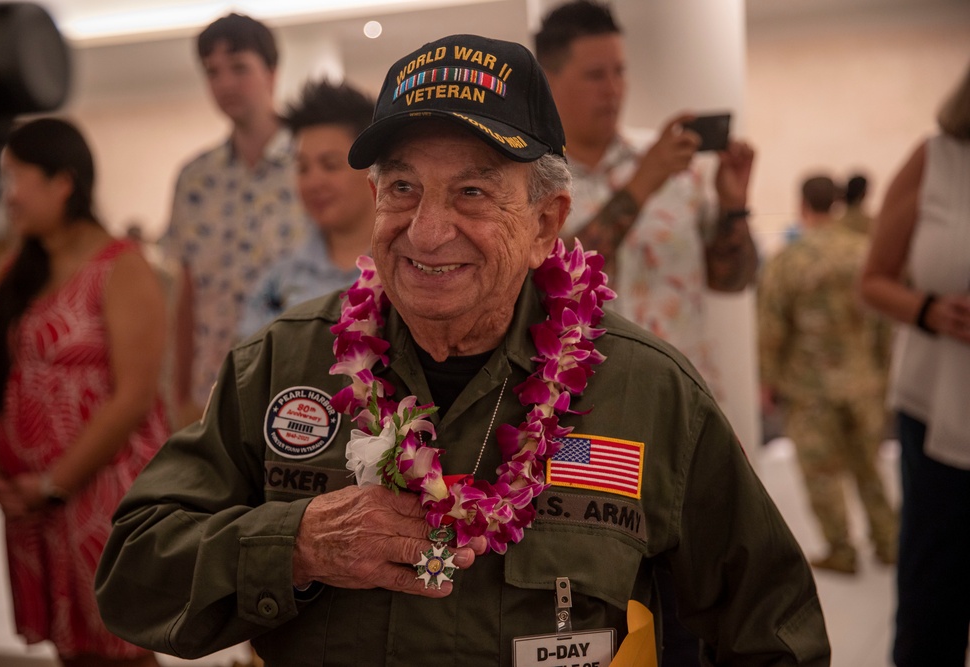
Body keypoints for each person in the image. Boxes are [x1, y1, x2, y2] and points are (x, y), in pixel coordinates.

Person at [95, 34, 829, 666]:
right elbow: (131, 572)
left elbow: (772, 631)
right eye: (404, 187)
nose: (426, 230)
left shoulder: (647, 391)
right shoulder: (282, 365)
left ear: (547, 221)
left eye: (473, 192)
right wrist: (297, 544)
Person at [0, 118, 169, 667]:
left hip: (101, 492)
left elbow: (132, 397)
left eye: (17, 177)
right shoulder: (16, 266)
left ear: (62, 182)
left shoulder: (121, 266)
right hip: (30, 500)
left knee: (121, 647)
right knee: (71, 644)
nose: (6, 194)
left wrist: (54, 483)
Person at [534, 0, 758, 396]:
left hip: (686, 395)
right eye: (594, 75)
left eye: (619, 71)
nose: (613, 89)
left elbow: (732, 280)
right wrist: (643, 183)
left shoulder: (673, 166)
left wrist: (733, 208)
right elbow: (552, 281)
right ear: (547, 81)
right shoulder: (532, 177)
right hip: (588, 404)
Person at [859, 60, 970, 667]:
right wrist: (932, 310)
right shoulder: (938, 159)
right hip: (939, 415)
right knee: (933, 603)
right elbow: (872, 281)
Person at [164, 13, 309, 427]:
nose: (225, 83)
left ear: (272, 71)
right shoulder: (194, 178)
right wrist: (179, 392)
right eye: (212, 72)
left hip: (298, 384)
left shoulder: (314, 166)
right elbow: (187, 291)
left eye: (239, 67)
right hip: (212, 388)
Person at [757, 174, 897, 575]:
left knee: (821, 475)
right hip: (864, 381)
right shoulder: (863, 253)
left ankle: (841, 549)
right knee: (869, 467)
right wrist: (882, 371)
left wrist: (766, 381)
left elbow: (771, 328)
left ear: (803, 205)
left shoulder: (789, 260)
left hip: (810, 389)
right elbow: (886, 323)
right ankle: (888, 541)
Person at [238, 80, 376, 339]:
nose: (313, 182)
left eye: (330, 165)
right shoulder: (278, 284)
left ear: (373, 169)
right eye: (303, 168)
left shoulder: (405, 271)